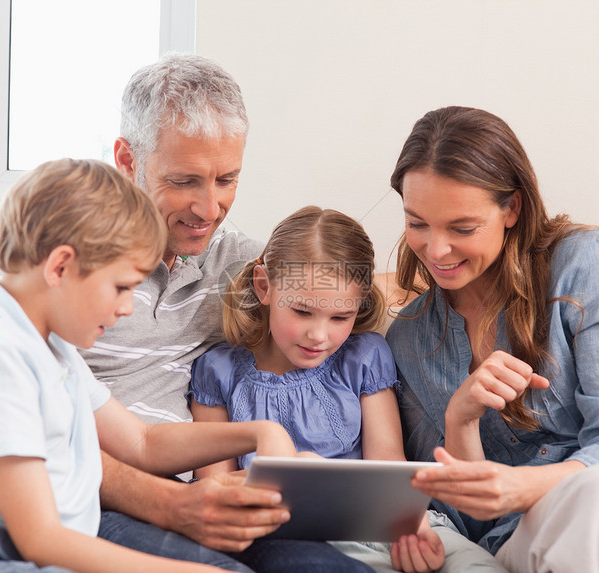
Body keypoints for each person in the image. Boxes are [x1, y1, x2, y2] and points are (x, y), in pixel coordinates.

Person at [0, 158, 301, 573]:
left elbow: (143, 442)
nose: (124, 308)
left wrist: (258, 433)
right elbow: (40, 538)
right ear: (60, 266)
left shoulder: (50, 348)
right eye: (121, 287)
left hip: (20, 547)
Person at [385, 106, 599, 572]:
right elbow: (468, 522)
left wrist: (521, 487)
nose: (436, 250)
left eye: (462, 228)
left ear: (512, 208)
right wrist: (460, 420)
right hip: (532, 535)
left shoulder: (583, 265)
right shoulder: (411, 337)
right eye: (417, 223)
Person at [77, 54, 375, 572]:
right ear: (128, 159)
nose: (209, 209)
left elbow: (332, 290)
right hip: (100, 497)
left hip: (208, 492)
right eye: (185, 180)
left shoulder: (239, 265)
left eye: (226, 180)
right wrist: (170, 503)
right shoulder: (62, 268)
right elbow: (21, 424)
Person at [189, 206, 507, 573]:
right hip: (288, 541)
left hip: (382, 523)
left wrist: (408, 521)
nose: (319, 336)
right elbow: (214, 488)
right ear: (264, 287)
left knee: (477, 565)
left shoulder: (365, 356)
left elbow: (387, 458)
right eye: (302, 312)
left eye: (340, 317)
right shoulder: (218, 372)